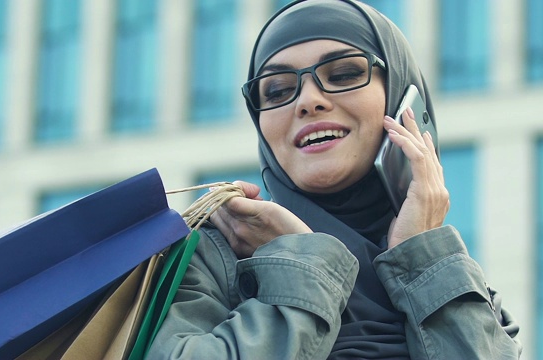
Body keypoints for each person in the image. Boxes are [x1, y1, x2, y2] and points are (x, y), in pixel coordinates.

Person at [147, 0, 522, 358]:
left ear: (402, 100)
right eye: (277, 90)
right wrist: (299, 263)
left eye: (343, 74)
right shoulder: (216, 256)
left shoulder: (456, 282)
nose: (308, 101)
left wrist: (422, 256)